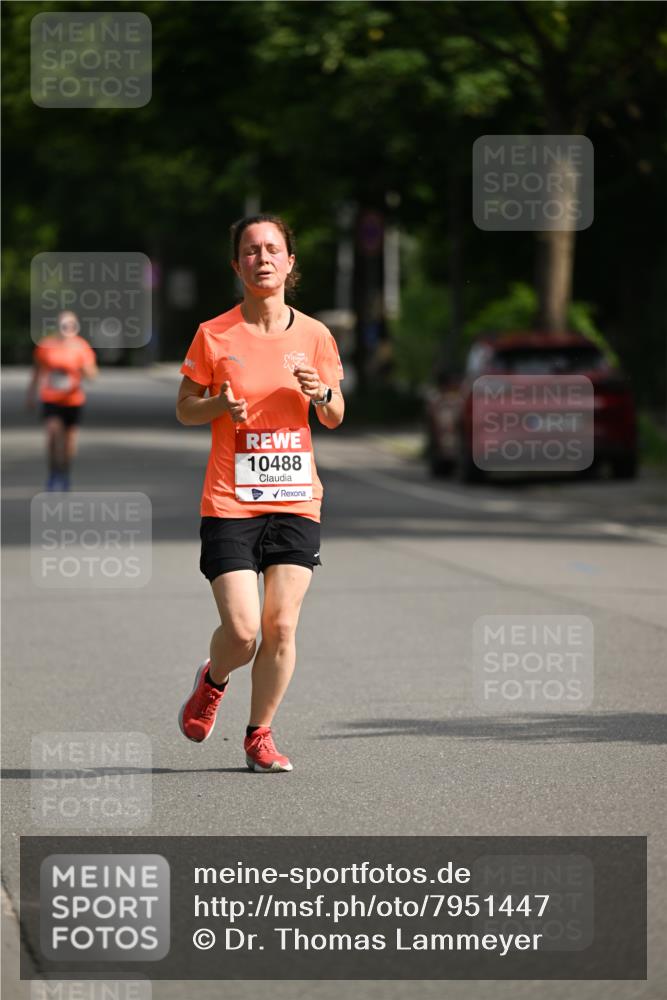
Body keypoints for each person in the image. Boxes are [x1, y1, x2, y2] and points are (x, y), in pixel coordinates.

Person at [176, 214, 345, 772]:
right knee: (244, 631)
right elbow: (184, 408)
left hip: (296, 496)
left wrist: (321, 394)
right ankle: (214, 678)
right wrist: (219, 405)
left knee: (282, 625)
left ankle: (260, 735)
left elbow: (335, 415)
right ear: (237, 265)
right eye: (251, 251)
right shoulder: (215, 334)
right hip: (230, 499)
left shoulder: (316, 336)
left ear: (290, 262)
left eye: (273, 249)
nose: (263, 258)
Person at [27, 310, 98, 491]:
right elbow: (37, 372)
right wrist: (31, 395)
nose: (67, 329)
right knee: (52, 435)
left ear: (76, 328)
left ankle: (65, 472)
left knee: (68, 443)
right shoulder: (46, 346)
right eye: (64, 326)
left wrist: (84, 367)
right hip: (51, 398)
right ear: (58, 327)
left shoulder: (82, 347)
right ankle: (53, 473)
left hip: (73, 400)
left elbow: (93, 375)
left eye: (71, 326)